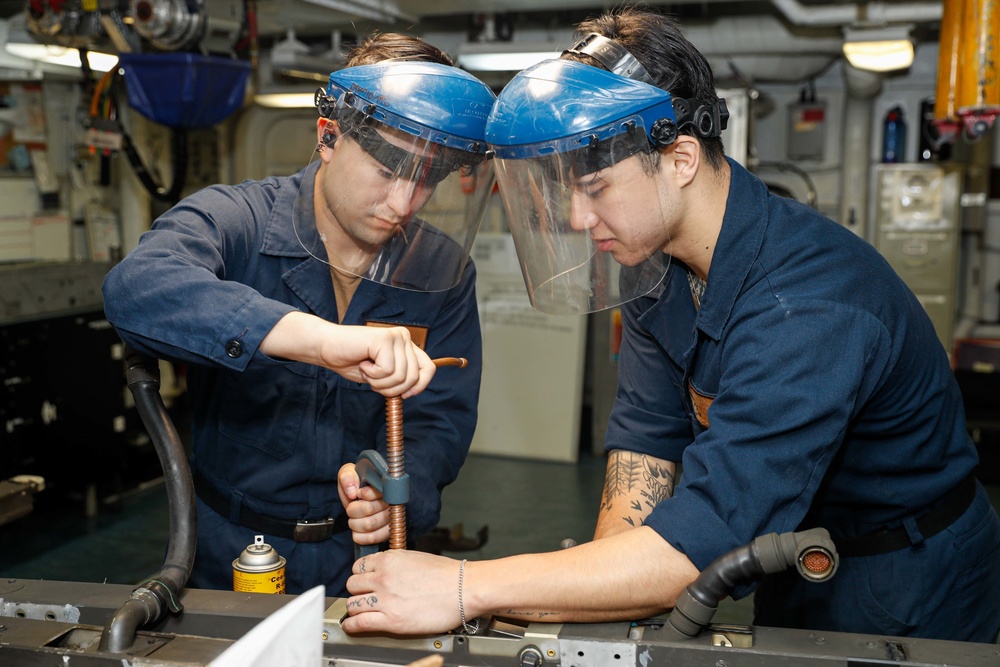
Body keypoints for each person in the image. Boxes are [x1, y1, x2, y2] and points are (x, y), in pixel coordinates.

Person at [341, 7, 1000, 642]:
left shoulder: (806, 308)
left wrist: (464, 586)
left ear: (680, 159)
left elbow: (702, 539)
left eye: (594, 188)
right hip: (794, 557)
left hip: (909, 572)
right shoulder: (658, 270)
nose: (575, 218)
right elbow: (645, 450)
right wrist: (590, 607)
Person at [101, 32, 498, 597]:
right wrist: (313, 339)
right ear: (329, 136)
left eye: (426, 181)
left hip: (361, 558)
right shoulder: (236, 221)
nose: (404, 204)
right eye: (388, 171)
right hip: (229, 551)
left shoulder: (441, 267)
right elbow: (135, 288)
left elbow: (443, 417)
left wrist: (402, 490)